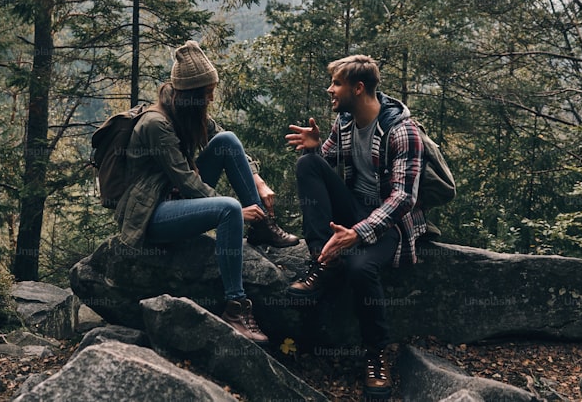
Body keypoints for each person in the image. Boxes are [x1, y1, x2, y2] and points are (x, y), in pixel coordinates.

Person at [116, 40, 300, 344]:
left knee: (227, 140)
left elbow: (221, 140)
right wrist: (235, 213)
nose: (212, 97)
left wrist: (258, 180)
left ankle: (262, 227)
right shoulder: (156, 124)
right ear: (191, 93)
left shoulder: (187, 111)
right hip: (152, 214)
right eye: (207, 92)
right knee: (227, 208)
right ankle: (235, 306)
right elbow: (187, 180)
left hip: (176, 198)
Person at [285, 54, 426, 399]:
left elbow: (403, 199)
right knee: (307, 164)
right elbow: (329, 162)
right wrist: (317, 147)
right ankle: (323, 260)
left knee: (361, 268)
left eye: (336, 83)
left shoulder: (402, 131)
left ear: (358, 88)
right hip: (353, 207)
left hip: (388, 223)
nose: (329, 89)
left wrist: (358, 234)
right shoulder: (345, 122)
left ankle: (376, 353)